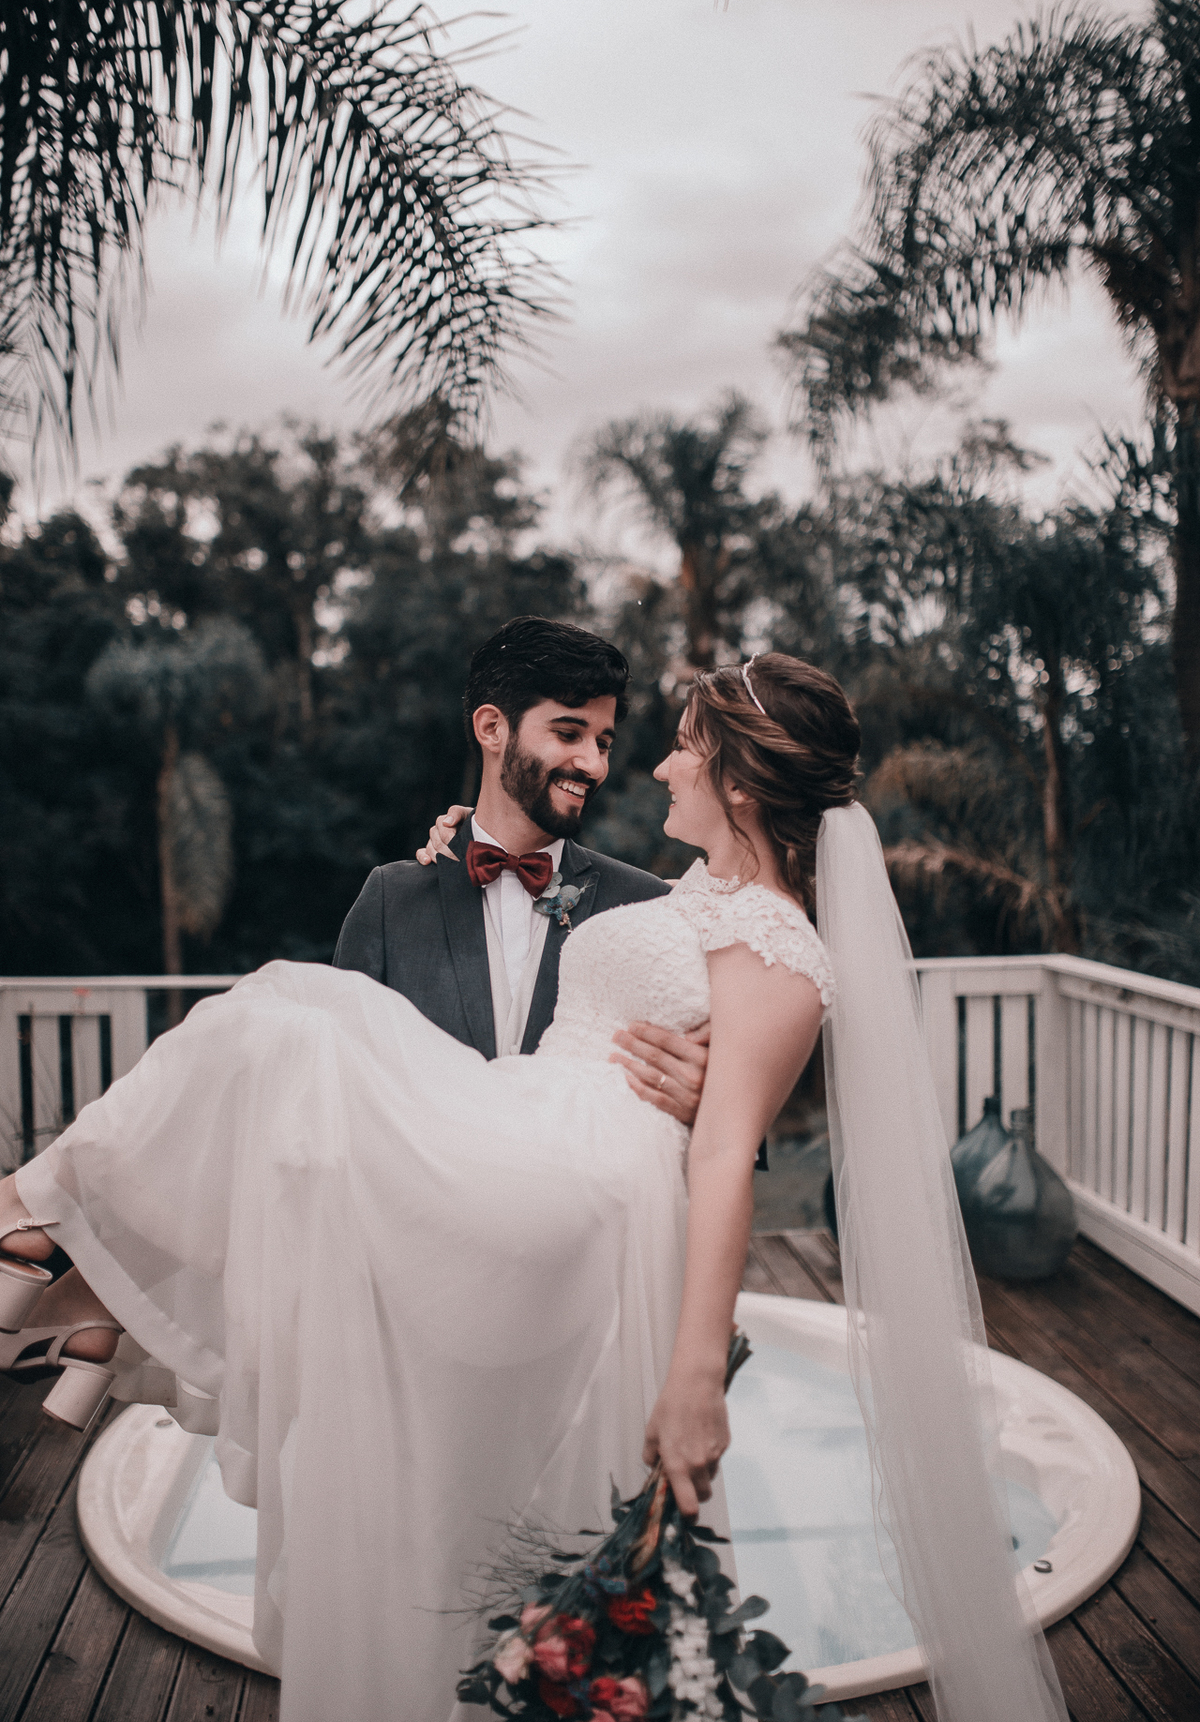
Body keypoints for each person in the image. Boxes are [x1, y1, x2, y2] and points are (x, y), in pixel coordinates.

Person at [0, 653, 1067, 1722]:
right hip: (523, 1127)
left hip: (579, 1176)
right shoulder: (699, 895)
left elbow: (722, 1151)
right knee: (288, 1054)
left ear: (740, 784)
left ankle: (34, 1227)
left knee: (286, 1025)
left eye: (682, 748)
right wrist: (456, 842)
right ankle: (85, 1288)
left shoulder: (782, 946)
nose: (653, 767)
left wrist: (697, 1376)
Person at [334, 615, 712, 1123]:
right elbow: (335, 1095)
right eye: (568, 733)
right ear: (492, 728)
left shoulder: (648, 906)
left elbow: (729, 1118)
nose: (594, 765)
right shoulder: (390, 902)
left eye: (603, 743)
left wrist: (705, 1102)